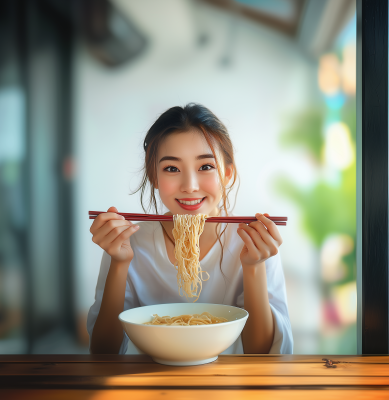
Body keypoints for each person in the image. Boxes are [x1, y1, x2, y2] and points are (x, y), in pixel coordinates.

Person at [87, 103, 293, 355]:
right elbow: (103, 352)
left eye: (205, 166)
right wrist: (119, 263)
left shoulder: (254, 239)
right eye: (171, 169)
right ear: (154, 177)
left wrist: (253, 266)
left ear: (227, 173)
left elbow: (262, 354)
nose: (190, 186)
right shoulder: (128, 240)